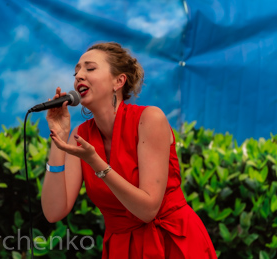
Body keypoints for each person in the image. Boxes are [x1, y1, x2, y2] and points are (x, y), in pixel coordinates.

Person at [41, 42, 217, 258]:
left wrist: (96, 163)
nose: (78, 76)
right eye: (76, 71)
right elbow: (53, 212)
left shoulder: (149, 119)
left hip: (172, 243)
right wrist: (58, 138)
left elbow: (147, 211)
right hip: (122, 249)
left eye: (90, 68)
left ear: (119, 81)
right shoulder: (81, 135)